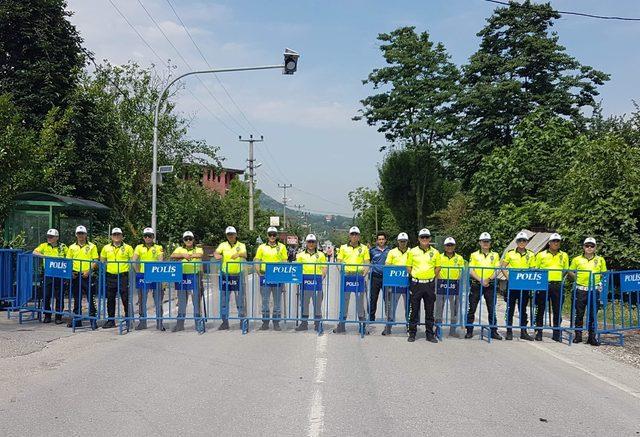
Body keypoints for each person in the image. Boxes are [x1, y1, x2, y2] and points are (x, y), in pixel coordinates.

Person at [568, 237, 607, 346]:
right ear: (583, 247)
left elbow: (604, 273)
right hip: (581, 290)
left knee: (593, 314)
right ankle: (578, 335)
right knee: (579, 314)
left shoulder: (600, 259)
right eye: (587, 245)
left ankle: (592, 337)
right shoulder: (577, 259)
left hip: (594, 290)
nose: (589, 248)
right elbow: (570, 271)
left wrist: (599, 283)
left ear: (595, 247)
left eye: (592, 246)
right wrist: (577, 279)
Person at [466, 232, 502, 340]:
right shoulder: (474, 255)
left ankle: (494, 331)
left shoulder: (495, 255)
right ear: (480, 243)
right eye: (483, 241)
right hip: (476, 284)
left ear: (490, 243)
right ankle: (469, 330)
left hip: (490, 285)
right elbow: (471, 270)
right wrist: (481, 280)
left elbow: (497, 269)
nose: (485, 243)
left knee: (491, 309)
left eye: (487, 241)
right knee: (472, 308)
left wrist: (488, 279)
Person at [334, 226, 370, 333]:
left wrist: (365, 272)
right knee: (344, 301)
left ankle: (362, 326)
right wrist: (342, 271)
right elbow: (339, 260)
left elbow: (367, 262)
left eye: (356, 234)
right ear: (349, 236)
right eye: (352, 234)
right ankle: (342, 325)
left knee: (360, 302)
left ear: (359, 236)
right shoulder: (343, 247)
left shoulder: (364, 248)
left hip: (359, 277)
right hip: (347, 276)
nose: (354, 236)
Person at [500, 231, 536, 341]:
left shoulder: (530, 254)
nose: (522, 242)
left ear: (527, 242)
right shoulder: (510, 253)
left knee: (523, 309)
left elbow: (533, 268)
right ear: (516, 242)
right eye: (520, 240)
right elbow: (503, 266)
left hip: (524, 286)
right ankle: (509, 331)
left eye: (524, 240)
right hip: (512, 285)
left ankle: (523, 331)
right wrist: (508, 277)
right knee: (510, 308)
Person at [406, 228, 440, 343]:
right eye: (422, 237)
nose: (425, 239)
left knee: (429, 310)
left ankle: (430, 334)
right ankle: (412, 333)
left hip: (429, 284)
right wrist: (417, 276)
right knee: (414, 309)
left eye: (427, 237)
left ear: (430, 238)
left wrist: (429, 277)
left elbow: (438, 267)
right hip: (416, 284)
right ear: (419, 239)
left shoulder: (435, 252)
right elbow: (409, 267)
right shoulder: (412, 251)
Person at [534, 233, 569, 342]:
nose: (555, 243)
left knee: (557, 309)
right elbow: (536, 269)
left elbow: (565, 270)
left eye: (557, 241)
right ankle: (538, 332)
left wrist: (557, 278)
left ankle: (556, 333)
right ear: (549, 243)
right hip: (544, 284)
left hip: (557, 285)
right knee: (541, 308)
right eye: (553, 241)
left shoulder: (564, 255)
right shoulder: (541, 255)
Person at [254, 226, 288, 331]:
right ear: (267, 235)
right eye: (270, 234)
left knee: (277, 302)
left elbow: (284, 260)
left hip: (277, 277)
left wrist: (282, 273)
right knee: (265, 301)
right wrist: (259, 272)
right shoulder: (261, 247)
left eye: (274, 234)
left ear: (276, 235)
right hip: (265, 276)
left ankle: (276, 322)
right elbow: (257, 259)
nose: (272, 236)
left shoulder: (282, 247)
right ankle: (265, 322)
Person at [99, 228, 134, 329]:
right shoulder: (106, 248)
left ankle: (128, 320)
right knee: (110, 299)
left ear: (122, 236)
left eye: (118, 234)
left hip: (123, 276)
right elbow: (102, 260)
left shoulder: (128, 247)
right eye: (114, 234)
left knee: (125, 298)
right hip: (110, 276)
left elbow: (132, 261)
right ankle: (111, 320)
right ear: (111, 236)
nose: (116, 236)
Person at [214, 226, 247, 330]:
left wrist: (238, 254)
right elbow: (216, 252)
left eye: (232, 234)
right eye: (228, 234)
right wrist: (216, 255)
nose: (230, 236)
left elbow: (245, 254)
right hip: (225, 275)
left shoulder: (241, 245)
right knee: (224, 300)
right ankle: (224, 322)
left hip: (238, 275)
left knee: (240, 300)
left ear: (236, 234)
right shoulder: (223, 245)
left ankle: (242, 321)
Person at [170, 231, 204, 333]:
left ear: (193, 240)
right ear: (183, 240)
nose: (188, 240)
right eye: (186, 239)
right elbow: (173, 255)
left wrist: (188, 255)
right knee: (182, 301)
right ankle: (180, 324)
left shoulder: (197, 248)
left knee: (196, 301)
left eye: (190, 238)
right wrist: (183, 255)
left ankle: (198, 324)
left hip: (194, 276)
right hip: (182, 276)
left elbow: (200, 254)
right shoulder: (180, 249)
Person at [132, 227, 165, 331]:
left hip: (155, 276)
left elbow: (160, 261)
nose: (147, 238)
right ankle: (142, 322)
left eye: (149, 236)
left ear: (153, 237)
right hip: (143, 276)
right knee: (142, 300)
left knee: (158, 300)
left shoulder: (159, 247)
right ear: (143, 237)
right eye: (145, 236)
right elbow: (134, 260)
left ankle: (159, 323)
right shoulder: (138, 247)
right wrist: (138, 272)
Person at [66, 225, 99, 329]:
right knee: (77, 299)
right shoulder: (71, 247)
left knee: (91, 298)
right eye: (79, 233)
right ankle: (77, 319)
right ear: (76, 235)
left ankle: (93, 320)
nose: (81, 235)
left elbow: (95, 260)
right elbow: (68, 261)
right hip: (76, 275)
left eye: (82, 233)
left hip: (88, 276)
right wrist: (70, 271)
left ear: (86, 234)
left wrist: (89, 270)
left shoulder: (92, 246)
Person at [33, 228, 68, 324]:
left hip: (60, 274)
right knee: (46, 295)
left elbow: (69, 257)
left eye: (51, 237)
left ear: (57, 237)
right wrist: (45, 256)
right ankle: (47, 315)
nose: (49, 238)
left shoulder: (63, 246)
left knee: (59, 296)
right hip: (48, 274)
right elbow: (34, 252)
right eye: (48, 236)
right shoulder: (44, 245)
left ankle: (58, 317)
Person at [295, 234, 327, 331]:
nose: (311, 244)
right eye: (309, 241)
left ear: (316, 243)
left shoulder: (321, 255)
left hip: (316, 283)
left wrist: (321, 278)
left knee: (317, 304)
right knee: (304, 304)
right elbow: (298, 269)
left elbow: (324, 268)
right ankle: (304, 324)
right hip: (304, 283)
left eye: (313, 242)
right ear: (306, 243)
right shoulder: (300, 255)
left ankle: (317, 324)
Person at [434, 237, 465, 338]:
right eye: (448, 245)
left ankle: (452, 330)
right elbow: (436, 269)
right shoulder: (439, 256)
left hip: (454, 286)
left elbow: (462, 272)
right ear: (444, 246)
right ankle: (438, 328)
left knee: (454, 309)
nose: (450, 247)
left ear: (454, 246)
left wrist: (457, 280)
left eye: (451, 245)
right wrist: (440, 281)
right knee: (439, 308)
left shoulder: (459, 258)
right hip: (441, 285)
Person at [382, 232, 410, 336]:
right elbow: (387, 264)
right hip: (395, 283)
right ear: (398, 241)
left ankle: (409, 326)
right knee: (392, 306)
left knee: (408, 306)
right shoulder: (392, 252)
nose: (403, 243)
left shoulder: (411, 252)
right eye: (401, 241)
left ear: (407, 242)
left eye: (404, 241)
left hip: (407, 283)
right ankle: (388, 326)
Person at [368, 232, 390, 322]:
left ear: (385, 240)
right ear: (377, 241)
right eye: (379, 239)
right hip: (375, 277)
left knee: (387, 298)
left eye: (382, 239)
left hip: (386, 277)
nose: (381, 241)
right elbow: (367, 261)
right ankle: (371, 318)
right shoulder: (372, 251)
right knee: (373, 298)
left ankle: (388, 317)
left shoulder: (390, 251)